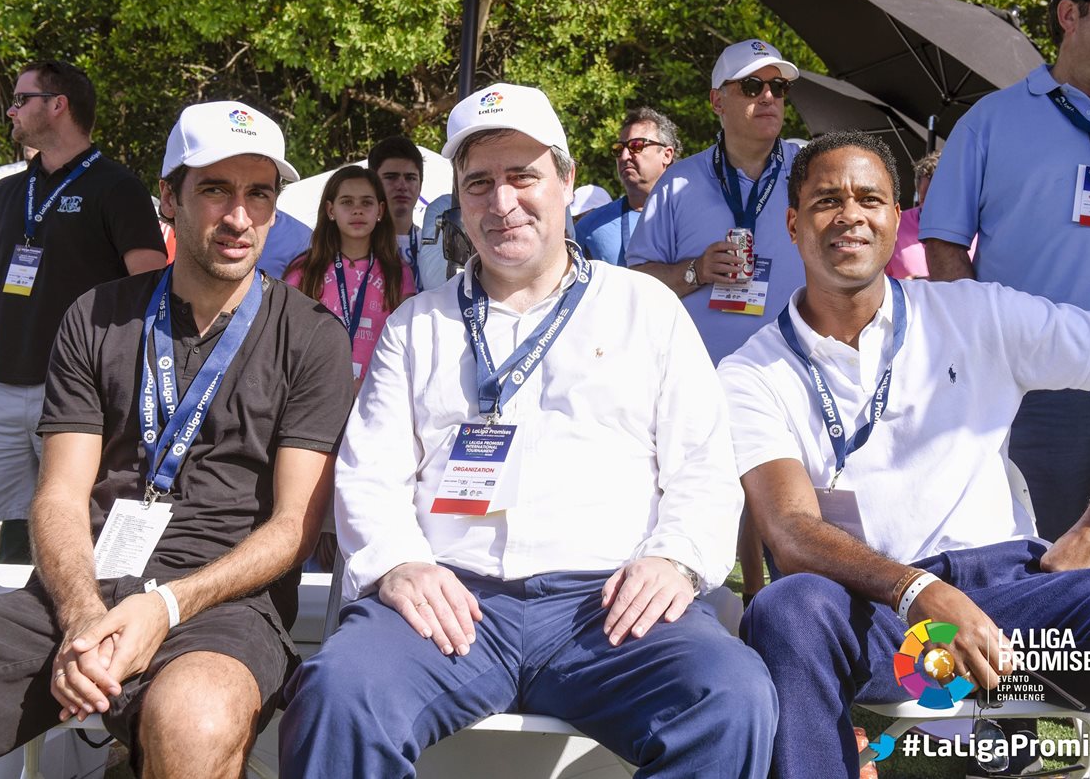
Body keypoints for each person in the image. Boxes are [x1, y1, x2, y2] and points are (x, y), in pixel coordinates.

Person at [278, 82, 776, 778]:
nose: (502, 202)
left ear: (567, 182)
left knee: (731, 695)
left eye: (524, 176)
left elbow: (703, 463)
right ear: (457, 199)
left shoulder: (646, 309)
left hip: (609, 608)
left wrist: (676, 558)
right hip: (447, 605)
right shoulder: (416, 325)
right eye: (479, 183)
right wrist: (398, 562)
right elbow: (369, 473)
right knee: (337, 692)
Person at [720, 131, 1090, 779]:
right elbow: (791, 532)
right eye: (826, 200)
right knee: (786, 610)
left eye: (870, 198)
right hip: (884, 626)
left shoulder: (973, 312)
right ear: (794, 223)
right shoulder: (752, 371)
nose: (850, 213)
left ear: (894, 218)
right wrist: (919, 591)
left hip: (1024, 613)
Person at [0, 100, 353, 776]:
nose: (238, 217)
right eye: (214, 190)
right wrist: (86, 611)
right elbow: (60, 493)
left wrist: (167, 604)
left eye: (258, 194)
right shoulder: (98, 314)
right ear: (168, 199)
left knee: (195, 719)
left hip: (223, 607)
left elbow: (296, 524)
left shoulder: (312, 335)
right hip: (79, 589)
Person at [921, 0, 1090, 582]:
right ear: (1069, 13)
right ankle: (1056, 679)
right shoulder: (989, 119)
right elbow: (943, 244)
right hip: (1045, 373)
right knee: (1051, 571)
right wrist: (981, 351)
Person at [0, 60, 166, 563]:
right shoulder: (6, 191)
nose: (11, 110)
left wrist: (119, 372)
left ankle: (53, 620)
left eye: (21, 99)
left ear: (57, 105)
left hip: (75, 392)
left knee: (64, 510)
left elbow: (148, 282)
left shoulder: (117, 187)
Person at [627, 39, 805, 366]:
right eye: (751, 86)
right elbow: (637, 285)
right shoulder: (679, 182)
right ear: (717, 101)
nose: (768, 96)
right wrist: (696, 271)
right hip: (700, 379)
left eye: (778, 87)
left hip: (793, 378)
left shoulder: (812, 172)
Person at [284, 165, 416, 385]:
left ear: (380, 211)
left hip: (379, 394)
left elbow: (408, 343)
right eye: (346, 202)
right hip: (313, 393)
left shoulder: (399, 273)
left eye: (366, 202)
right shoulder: (304, 270)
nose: (357, 210)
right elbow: (287, 340)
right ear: (330, 210)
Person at [576, 107, 681, 266]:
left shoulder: (696, 214)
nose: (624, 156)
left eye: (636, 146)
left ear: (666, 155)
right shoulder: (590, 226)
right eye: (618, 149)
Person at [368, 135, 447, 291]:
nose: (402, 186)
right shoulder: (358, 244)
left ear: (420, 185)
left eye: (410, 178)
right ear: (372, 183)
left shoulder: (438, 246)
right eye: (391, 177)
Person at [885, 150, 975, 280]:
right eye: (924, 200)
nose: (930, 208)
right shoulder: (894, 225)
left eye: (940, 200)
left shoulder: (976, 230)